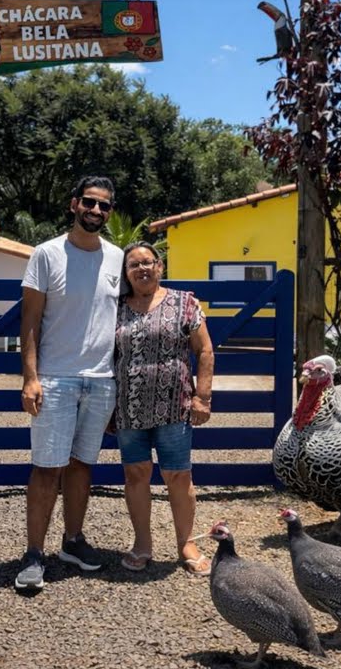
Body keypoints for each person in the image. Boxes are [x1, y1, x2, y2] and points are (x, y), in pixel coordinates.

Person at [15, 176, 123, 591]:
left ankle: (73, 542)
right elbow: (29, 321)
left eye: (104, 206)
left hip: (101, 381)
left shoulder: (117, 258)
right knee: (46, 468)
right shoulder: (46, 255)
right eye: (90, 203)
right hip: (55, 380)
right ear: (74, 204)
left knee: (82, 466)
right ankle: (33, 554)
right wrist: (30, 377)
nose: (96, 211)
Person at [112, 241, 215, 576]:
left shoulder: (185, 303)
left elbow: (204, 351)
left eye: (148, 262)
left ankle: (186, 542)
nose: (142, 269)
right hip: (129, 409)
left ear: (160, 266)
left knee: (178, 475)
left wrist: (203, 397)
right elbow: (105, 357)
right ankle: (142, 544)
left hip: (175, 407)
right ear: (126, 273)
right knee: (135, 474)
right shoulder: (115, 308)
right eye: (134, 265)